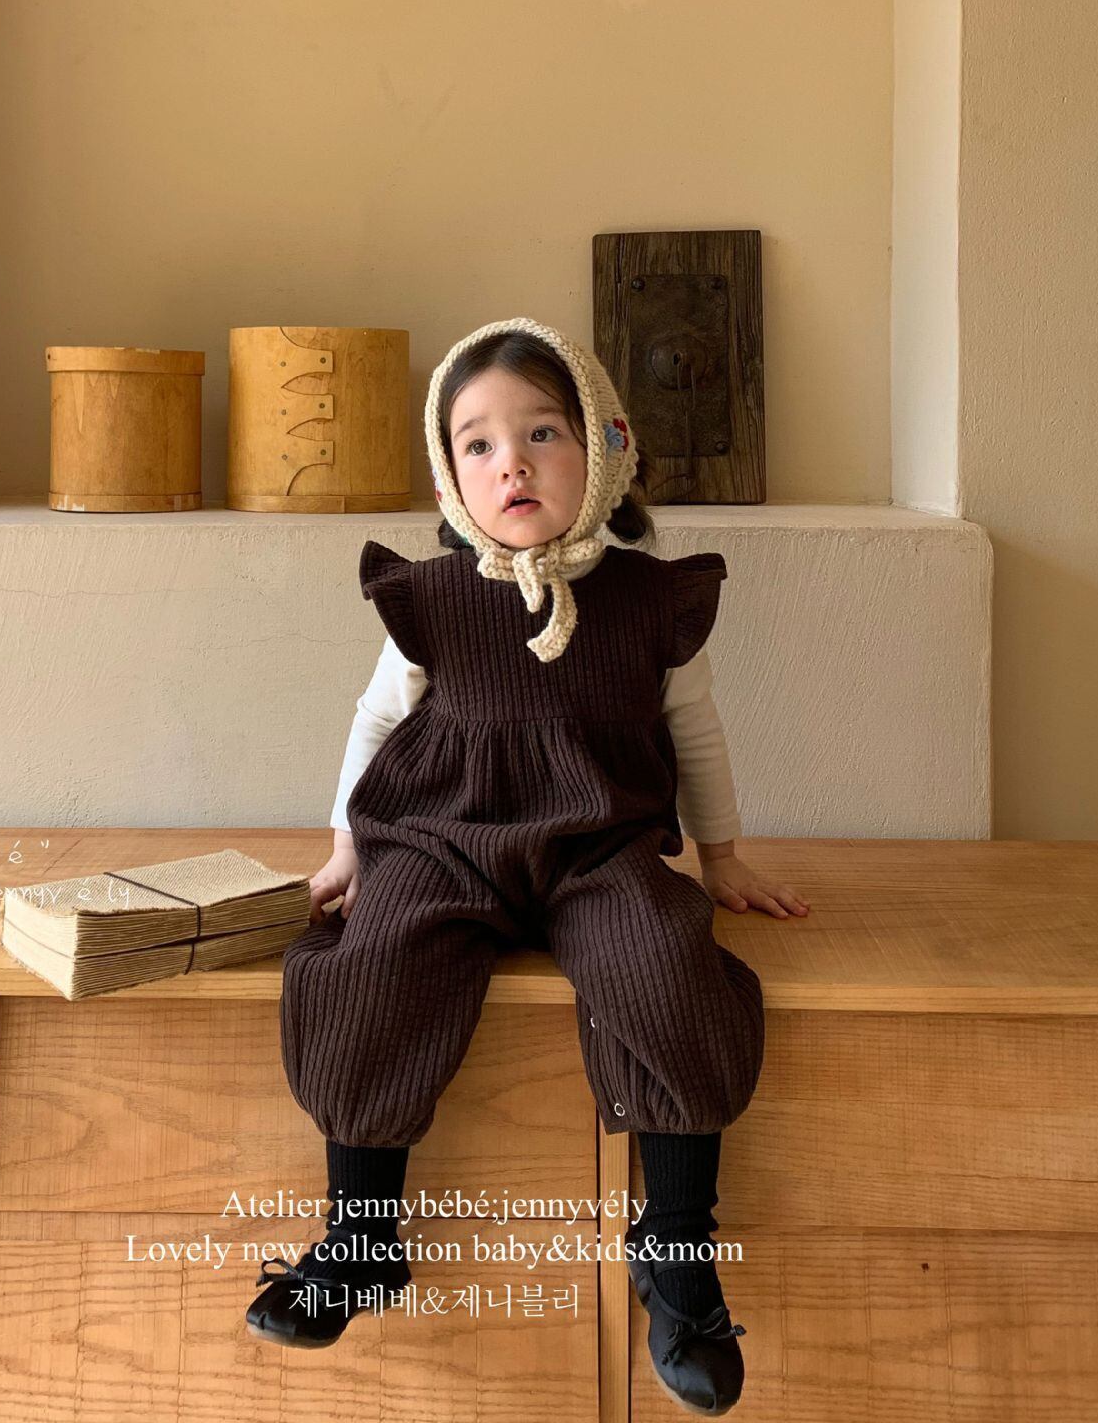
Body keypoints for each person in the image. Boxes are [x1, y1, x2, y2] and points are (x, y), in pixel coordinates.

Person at [247, 317, 809, 1412]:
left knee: (667, 961)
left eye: (542, 432)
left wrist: (725, 856)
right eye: (479, 444)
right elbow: (375, 720)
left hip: (600, 848)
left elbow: (695, 733)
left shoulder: (647, 602)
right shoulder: (436, 598)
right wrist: (348, 846)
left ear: (606, 446)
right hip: (442, 843)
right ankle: (361, 1235)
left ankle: (677, 1250)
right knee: (373, 969)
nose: (512, 462)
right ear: (450, 479)